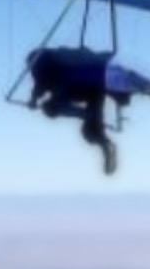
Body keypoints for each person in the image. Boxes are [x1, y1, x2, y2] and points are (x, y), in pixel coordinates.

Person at [25, 47, 119, 175]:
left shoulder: (41, 61)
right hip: (97, 86)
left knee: (49, 107)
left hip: (74, 86)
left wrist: (33, 100)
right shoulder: (65, 56)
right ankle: (106, 143)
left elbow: (40, 84)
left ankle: (87, 115)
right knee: (90, 131)